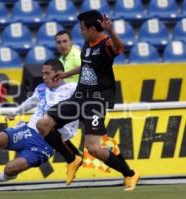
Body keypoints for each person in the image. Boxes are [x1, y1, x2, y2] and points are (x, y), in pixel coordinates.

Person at [36, 10, 140, 191]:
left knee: (93, 148)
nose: (81, 31)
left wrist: (112, 31)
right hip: (79, 97)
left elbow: (118, 48)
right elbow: (86, 66)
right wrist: (66, 74)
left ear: (93, 28)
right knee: (43, 124)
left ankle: (130, 174)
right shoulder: (88, 43)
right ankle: (73, 158)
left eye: (83, 28)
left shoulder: (106, 43)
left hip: (95, 102)